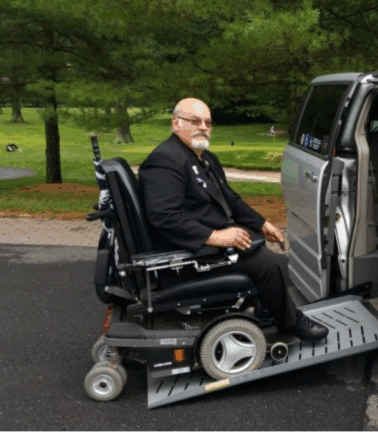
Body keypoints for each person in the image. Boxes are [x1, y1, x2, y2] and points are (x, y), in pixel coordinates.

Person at [138, 97, 328, 343]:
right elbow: (164, 217)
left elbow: (231, 200)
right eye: (195, 121)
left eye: (208, 122)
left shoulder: (205, 158)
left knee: (258, 241)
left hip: (210, 238)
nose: (203, 127)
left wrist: (261, 223)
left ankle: (267, 311)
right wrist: (215, 237)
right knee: (269, 265)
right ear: (176, 123)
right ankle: (291, 323)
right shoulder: (165, 161)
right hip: (186, 254)